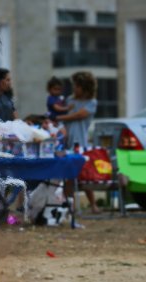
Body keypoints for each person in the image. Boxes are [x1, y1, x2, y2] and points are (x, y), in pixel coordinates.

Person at [58, 71, 100, 213]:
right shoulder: (69, 100)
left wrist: (61, 117)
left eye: (77, 86)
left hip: (81, 143)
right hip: (68, 142)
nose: (74, 89)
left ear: (85, 87)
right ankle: (71, 205)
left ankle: (93, 204)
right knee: (69, 176)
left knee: (84, 175)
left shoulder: (91, 103)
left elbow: (79, 115)